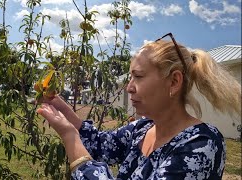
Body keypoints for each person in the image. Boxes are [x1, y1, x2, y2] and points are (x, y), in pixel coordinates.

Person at [36, 33, 241, 179]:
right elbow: (100, 144)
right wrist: (61, 107)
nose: (129, 88)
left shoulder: (201, 146)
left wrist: (70, 138)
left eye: (138, 76)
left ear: (174, 82)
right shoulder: (143, 128)